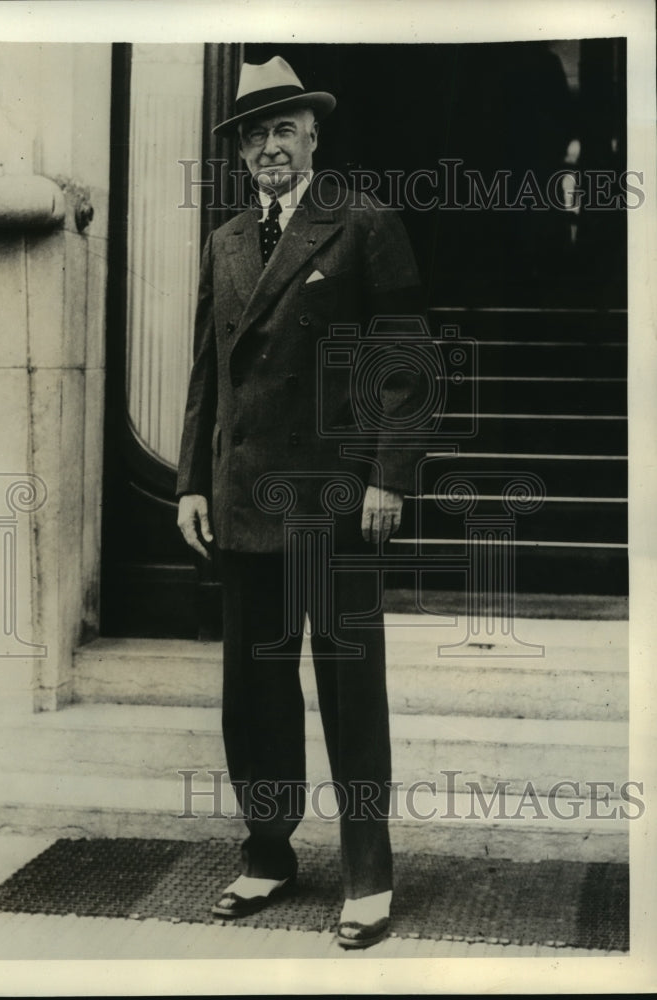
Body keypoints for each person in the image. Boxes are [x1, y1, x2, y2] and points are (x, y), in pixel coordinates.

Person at [177, 55, 426, 949]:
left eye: (284, 128)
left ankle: (367, 876)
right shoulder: (226, 241)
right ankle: (268, 851)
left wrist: (388, 474)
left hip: (337, 501)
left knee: (350, 689)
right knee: (254, 689)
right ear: (242, 153)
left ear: (314, 136)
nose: (269, 146)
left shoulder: (364, 222)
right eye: (254, 135)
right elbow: (207, 374)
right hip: (244, 497)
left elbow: (404, 359)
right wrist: (191, 483)